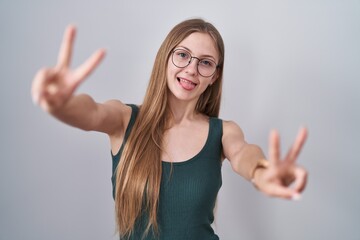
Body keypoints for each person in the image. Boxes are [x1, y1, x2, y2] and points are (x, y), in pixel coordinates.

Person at [31, 18, 308, 240]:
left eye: (205, 63)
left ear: (214, 76)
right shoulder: (124, 119)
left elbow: (244, 154)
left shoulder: (223, 132)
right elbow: (91, 113)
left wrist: (262, 172)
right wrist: (60, 103)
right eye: (183, 55)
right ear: (166, 57)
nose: (191, 69)